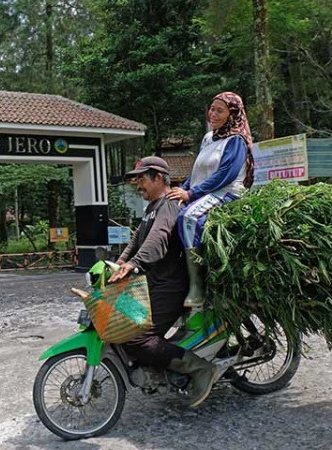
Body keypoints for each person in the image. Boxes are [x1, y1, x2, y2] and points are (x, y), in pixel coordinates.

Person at [109, 156, 219, 407]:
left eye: (142, 179)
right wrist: (120, 263)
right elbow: (137, 240)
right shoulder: (152, 208)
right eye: (135, 180)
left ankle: (200, 369)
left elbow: (157, 240)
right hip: (152, 283)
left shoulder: (168, 205)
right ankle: (156, 367)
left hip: (170, 286)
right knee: (121, 322)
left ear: (159, 177)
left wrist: (134, 265)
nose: (138, 185)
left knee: (137, 337)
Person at [167, 92, 255, 306]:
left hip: (226, 193)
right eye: (212, 108)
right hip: (205, 192)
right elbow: (197, 173)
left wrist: (190, 194)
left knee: (189, 217)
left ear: (232, 114)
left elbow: (225, 175)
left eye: (219, 110)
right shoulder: (209, 138)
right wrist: (180, 190)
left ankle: (198, 286)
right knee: (167, 210)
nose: (212, 114)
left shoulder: (236, 140)